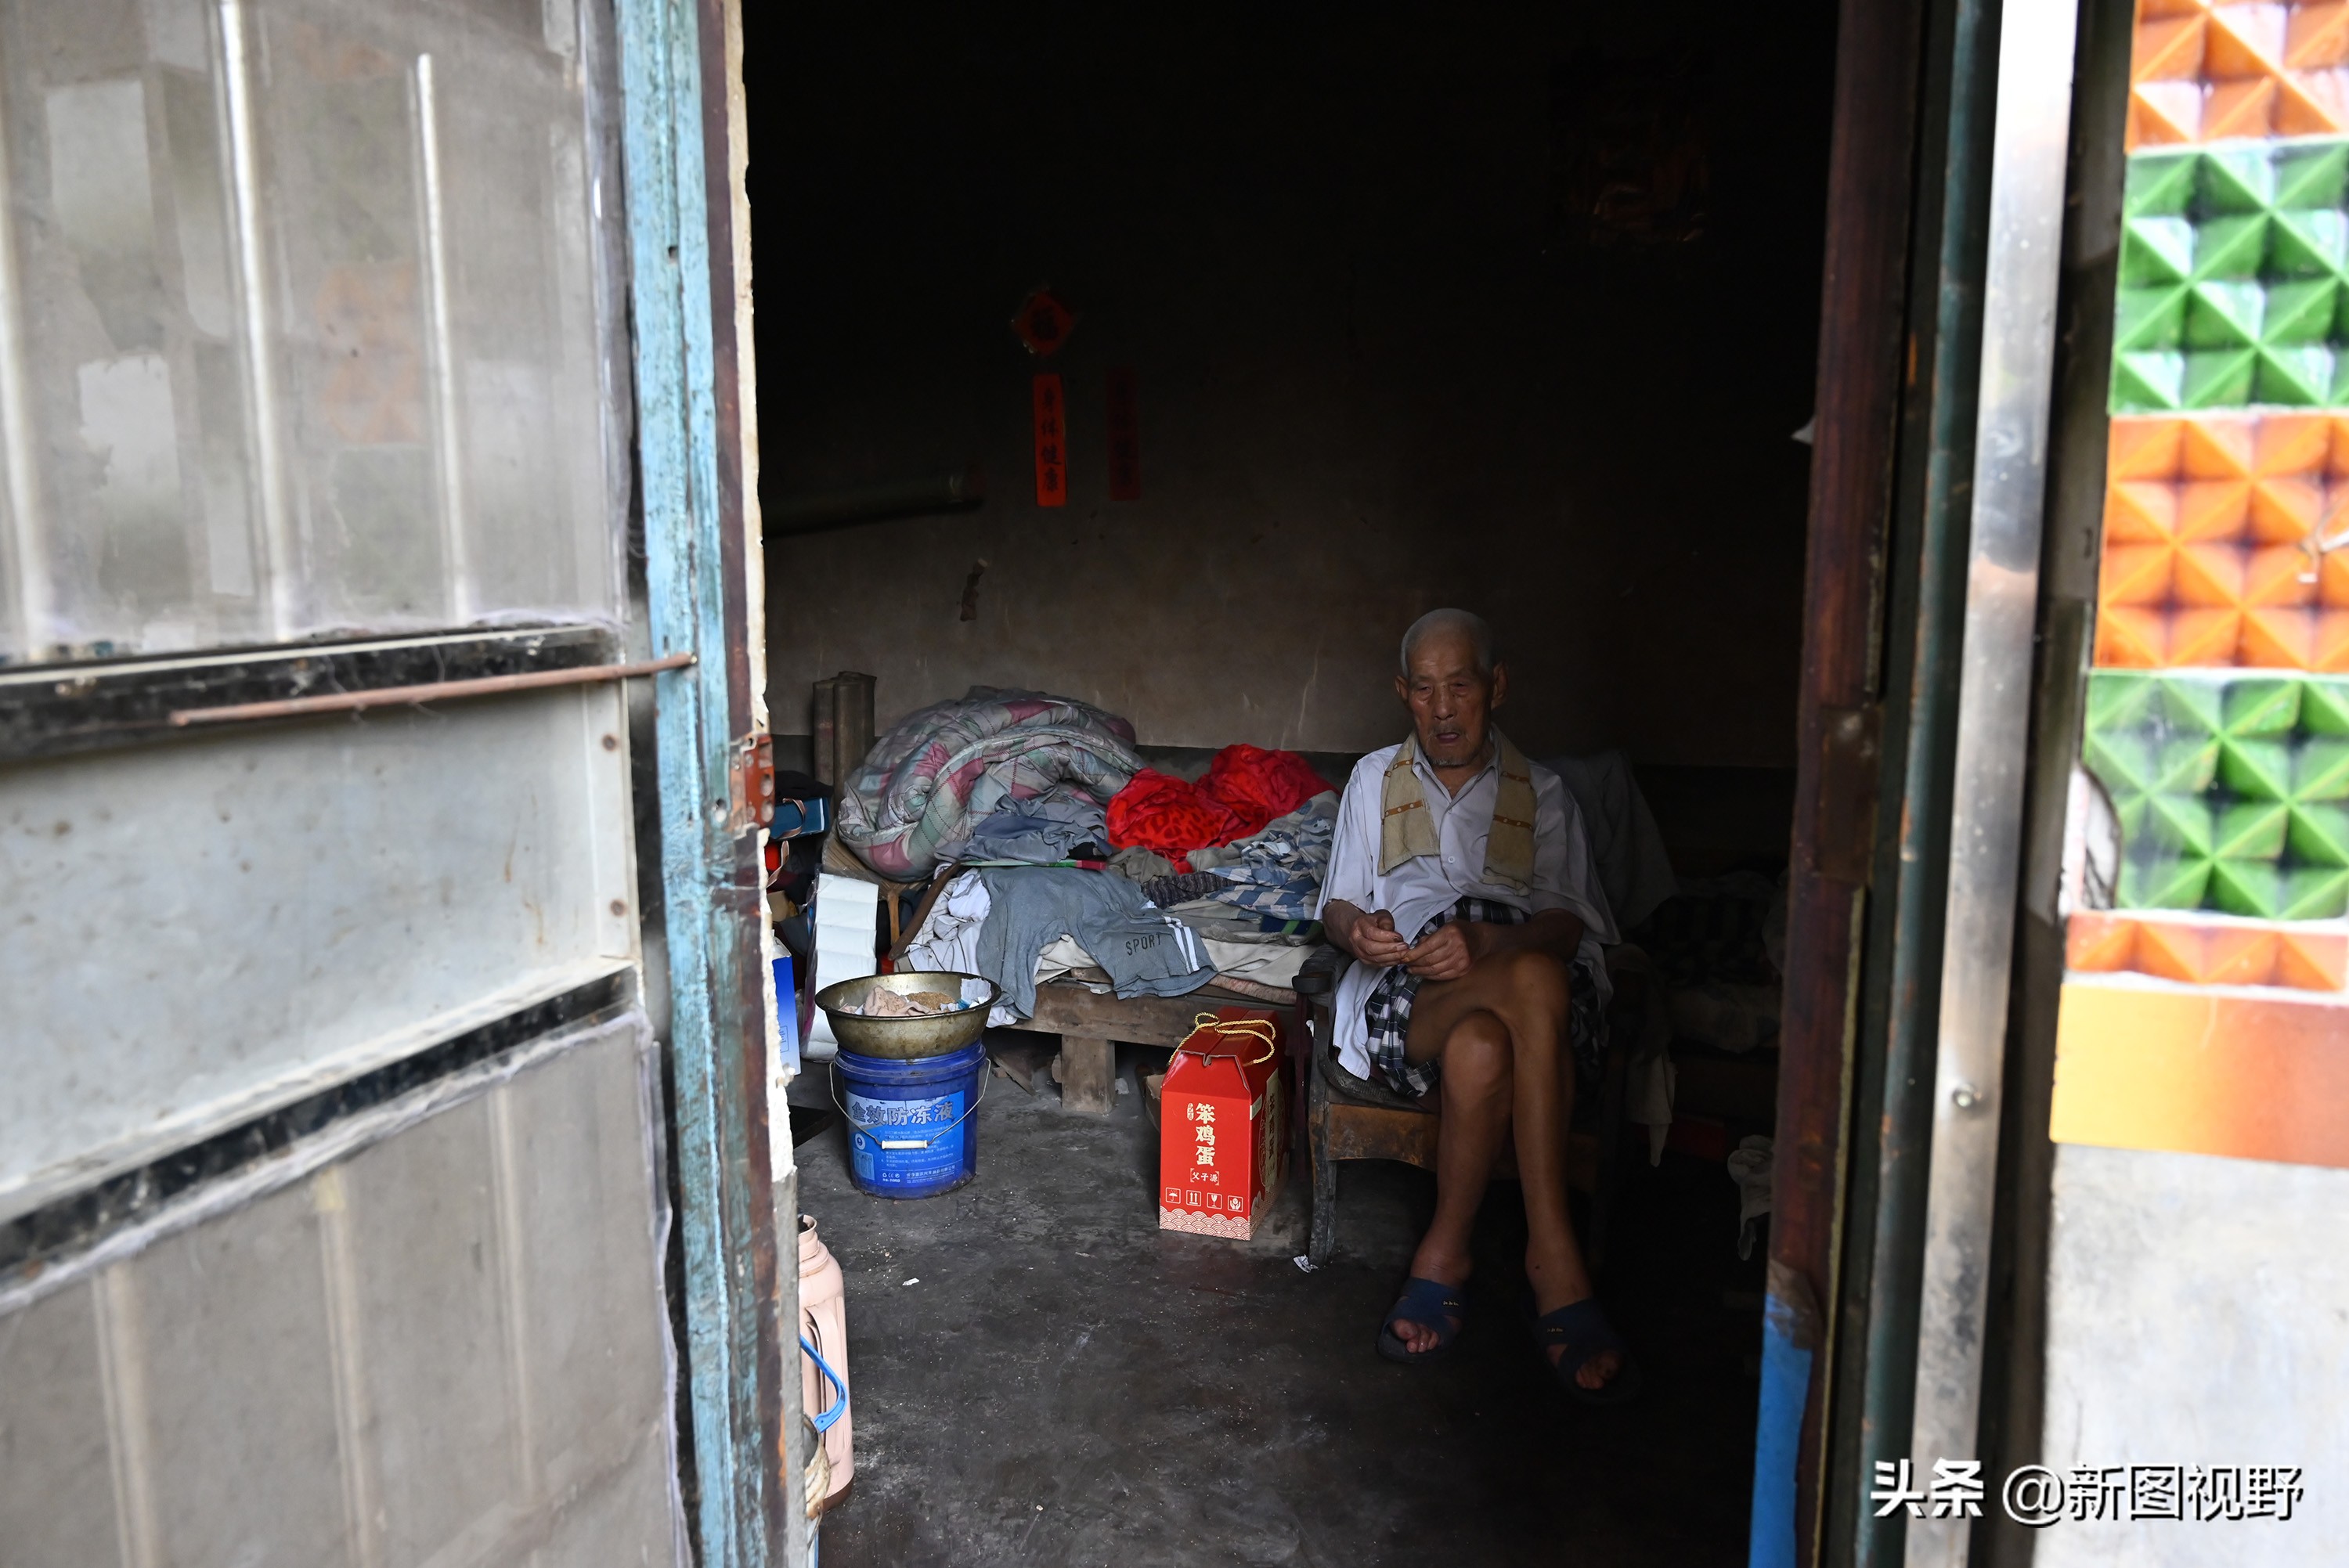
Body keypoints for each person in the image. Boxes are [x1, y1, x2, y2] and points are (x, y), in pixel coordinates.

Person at [1315, 608, 1637, 1402]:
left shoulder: (1545, 791)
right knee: (1531, 987)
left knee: (1489, 1040)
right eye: (1423, 690)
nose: (1444, 708)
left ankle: (1445, 1252)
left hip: (1521, 971)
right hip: (1411, 989)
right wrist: (1361, 930)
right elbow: (1338, 905)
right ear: (1403, 694)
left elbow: (1565, 922)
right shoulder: (1370, 779)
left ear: (1496, 687)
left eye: (1460, 685)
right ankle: (1554, 1260)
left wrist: (1487, 944)